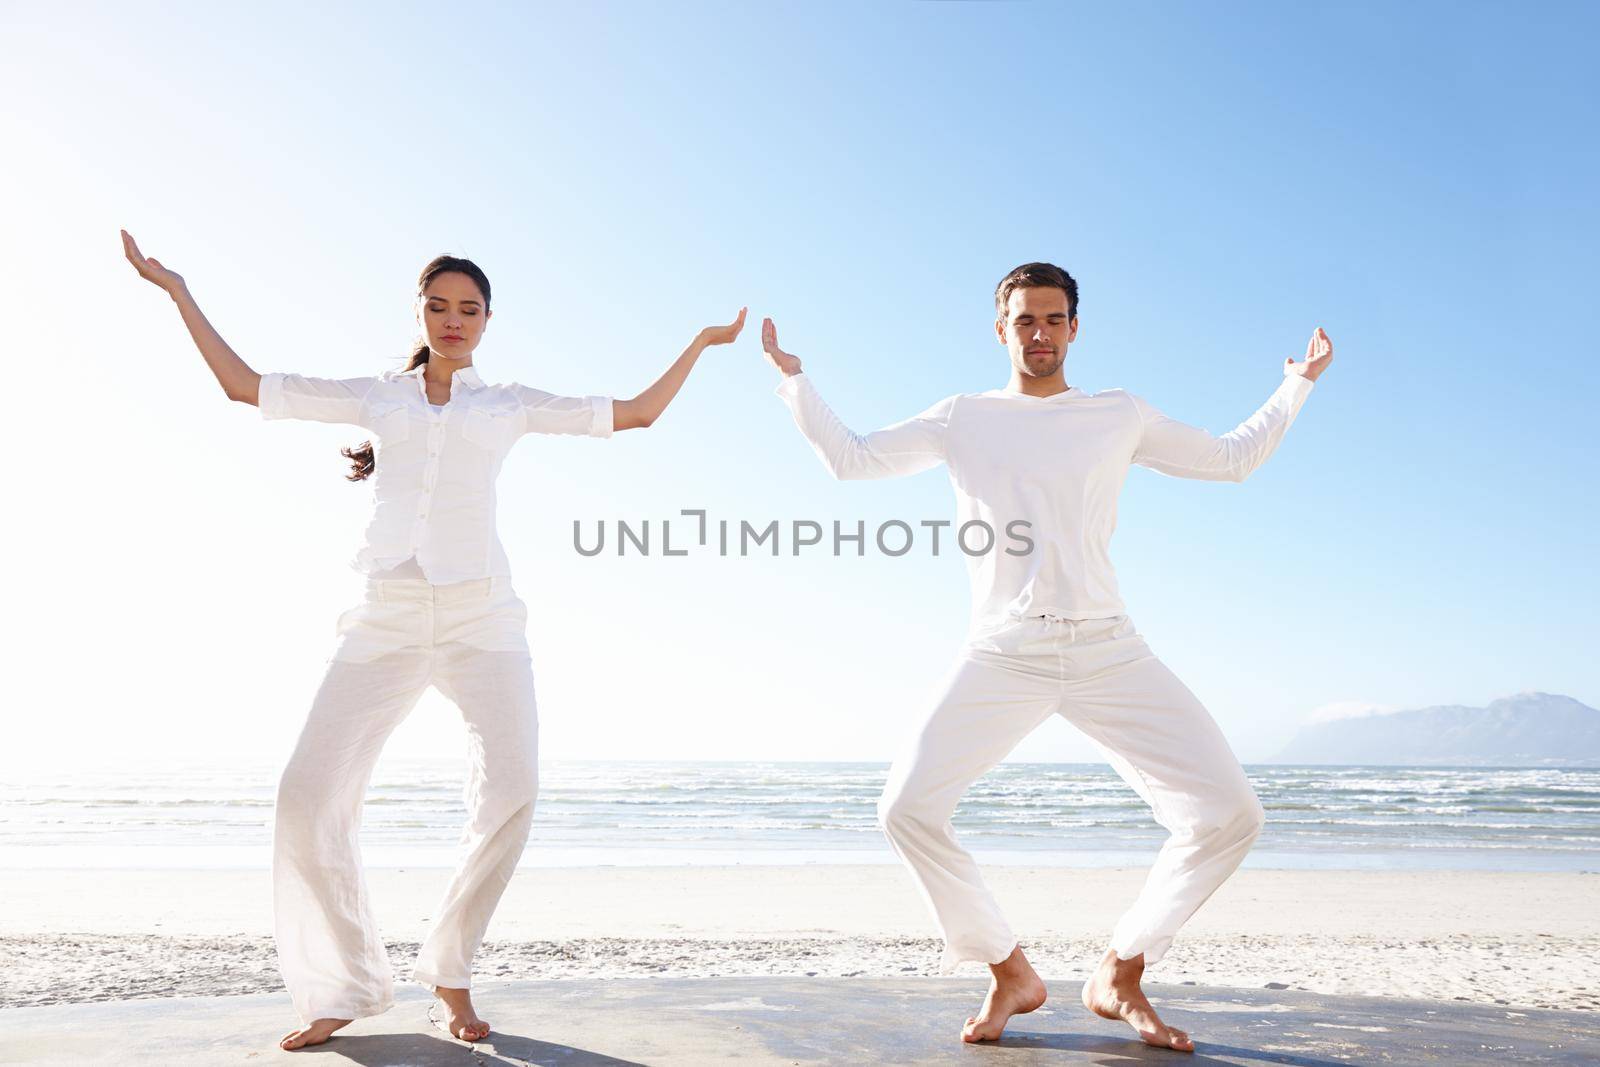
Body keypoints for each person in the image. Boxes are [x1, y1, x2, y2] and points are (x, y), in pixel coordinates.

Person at [122, 230, 745, 1051]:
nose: (454, 320)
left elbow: (637, 413)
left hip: (485, 617)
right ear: (419, 311)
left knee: (512, 786)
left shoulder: (508, 404)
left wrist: (701, 343)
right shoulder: (378, 397)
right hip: (385, 616)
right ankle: (346, 980)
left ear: (488, 321)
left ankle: (450, 969)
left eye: (470, 308)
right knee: (307, 793)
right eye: (439, 305)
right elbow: (245, 387)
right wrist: (178, 292)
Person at [763, 261, 1331, 1052]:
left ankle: (1122, 970)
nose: (1040, 333)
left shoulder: (1116, 413)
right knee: (905, 808)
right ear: (1001, 328)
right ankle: (1008, 969)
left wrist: (1296, 384)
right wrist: (795, 384)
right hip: (1005, 650)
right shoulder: (962, 416)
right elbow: (854, 459)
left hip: (1109, 647)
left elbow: (1231, 458)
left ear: (1075, 328)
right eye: (1025, 319)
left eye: (1054, 319)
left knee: (1232, 814)